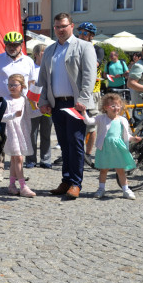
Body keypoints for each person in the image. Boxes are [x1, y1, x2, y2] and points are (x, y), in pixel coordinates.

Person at [37, 13, 97, 200]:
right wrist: (43, 100)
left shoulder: (84, 46)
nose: (60, 30)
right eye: (57, 27)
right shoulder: (50, 50)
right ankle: (66, 179)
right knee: (64, 143)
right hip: (57, 103)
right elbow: (45, 79)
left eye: (63, 26)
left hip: (75, 102)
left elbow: (89, 76)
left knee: (76, 142)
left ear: (71, 26)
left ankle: (76, 183)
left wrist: (84, 100)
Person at [0, 31, 35, 177]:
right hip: (2, 104)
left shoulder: (28, 61)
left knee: (20, 137)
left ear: (21, 46)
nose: (12, 47)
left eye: (15, 45)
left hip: (21, 105)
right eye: (9, 44)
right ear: (5, 45)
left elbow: (32, 82)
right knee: (0, 136)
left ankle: (18, 171)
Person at [92, 93, 142, 199]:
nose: (116, 108)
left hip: (118, 148)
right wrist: (83, 112)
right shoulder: (101, 118)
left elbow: (126, 135)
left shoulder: (122, 120)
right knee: (103, 169)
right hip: (105, 147)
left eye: (118, 105)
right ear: (106, 107)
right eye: (113, 106)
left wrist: (133, 138)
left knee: (120, 170)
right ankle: (101, 189)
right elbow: (89, 121)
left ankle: (126, 189)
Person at [76, 23, 105, 164]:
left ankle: (87, 154)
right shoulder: (75, 47)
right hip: (76, 90)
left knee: (92, 124)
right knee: (75, 122)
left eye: (84, 33)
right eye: (80, 32)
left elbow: (94, 64)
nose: (81, 35)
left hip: (93, 92)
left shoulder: (97, 49)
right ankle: (76, 152)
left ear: (91, 36)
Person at [1, 74, 35, 197]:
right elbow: (0, 117)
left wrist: (41, 110)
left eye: (14, 85)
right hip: (10, 131)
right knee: (19, 158)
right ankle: (23, 186)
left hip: (21, 130)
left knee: (15, 159)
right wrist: (13, 115)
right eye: (10, 85)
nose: (12, 87)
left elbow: (30, 114)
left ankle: (11, 185)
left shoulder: (24, 99)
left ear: (21, 86)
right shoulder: (5, 100)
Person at [28, 44, 53, 169]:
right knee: (32, 133)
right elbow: (30, 86)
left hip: (47, 104)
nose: (46, 55)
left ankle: (46, 159)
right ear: (36, 54)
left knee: (46, 132)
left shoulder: (50, 67)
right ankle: (31, 159)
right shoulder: (32, 67)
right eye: (43, 53)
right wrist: (34, 103)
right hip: (34, 105)